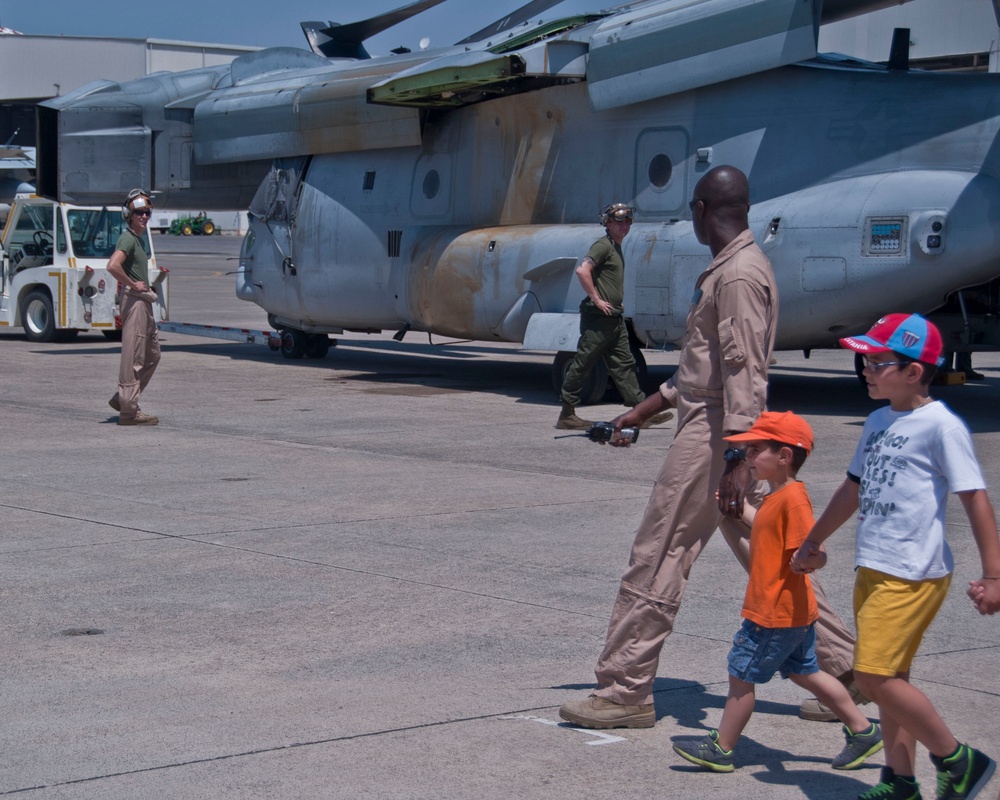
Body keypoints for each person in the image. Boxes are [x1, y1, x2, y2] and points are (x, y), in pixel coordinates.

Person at [559, 165, 859, 730]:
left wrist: (736, 461)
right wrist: (642, 410)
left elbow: (745, 375)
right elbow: (703, 372)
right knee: (768, 550)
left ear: (701, 210)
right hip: (716, 426)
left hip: (719, 436)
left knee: (659, 552)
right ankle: (842, 666)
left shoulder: (739, 276)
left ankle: (624, 689)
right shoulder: (732, 269)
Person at [792, 313, 1000, 800]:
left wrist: (994, 575)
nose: (864, 368)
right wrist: (813, 540)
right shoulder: (880, 420)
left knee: (873, 675)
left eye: (875, 360)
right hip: (875, 566)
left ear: (913, 371)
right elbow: (853, 488)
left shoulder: (941, 426)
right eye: (861, 359)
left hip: (912, 574)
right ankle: (900, 781)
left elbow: (976, 498)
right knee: (893, 676)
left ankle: (958, 760)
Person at [672, 411, 883, 773]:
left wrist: (810, 561)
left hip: (773, 613)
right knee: (806, 673)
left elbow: (813, 549)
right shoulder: (777, 497)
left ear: (784, 456)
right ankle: (863, 731)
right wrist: (743, 509)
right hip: (791, 612)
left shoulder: (794, 501)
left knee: (741, 677)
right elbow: (768, 529)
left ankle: (722, 749)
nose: (748, 459)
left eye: (755, 451)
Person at [556, 203, 653, 430]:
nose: (625, 225)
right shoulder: (603, 246)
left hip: (614, 319)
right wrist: (597, 300)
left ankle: (640, 412)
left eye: (628, 221)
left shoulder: (615, 248)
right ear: (607, 224)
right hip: (598, 321)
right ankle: (567, 414)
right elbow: (583, 270)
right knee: (583, 364)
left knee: (624, 365)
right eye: (619, 221)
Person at [106, 189, 161, 426]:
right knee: (134, 356)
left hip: (144, 301)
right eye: (140, 212)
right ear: (129, 214)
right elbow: (112, 266)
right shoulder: (128, 237)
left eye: (147, 213)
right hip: (135, 301)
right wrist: (133, 284)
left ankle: (123, 398)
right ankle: (129, 412)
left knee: (152, 355)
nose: (145, 217)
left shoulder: (139, 240)